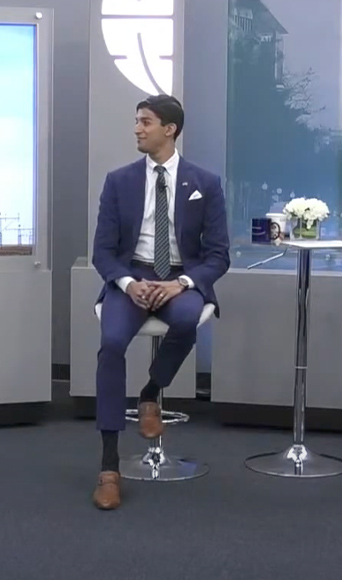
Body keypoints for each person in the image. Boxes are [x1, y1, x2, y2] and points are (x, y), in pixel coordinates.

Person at [90, 94, 230, 510]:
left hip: (179, 279)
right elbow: (102, 251)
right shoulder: (119, 181)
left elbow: (218, 254)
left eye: (145, 121)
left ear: (169, 129)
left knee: (188, 320)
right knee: (111, 345)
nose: (137, 128)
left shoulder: (205, 183)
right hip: (132, 275)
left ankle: (150, 392)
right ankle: (109, 467)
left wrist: (183, 282)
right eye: (136, 120)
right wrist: (129, 283)